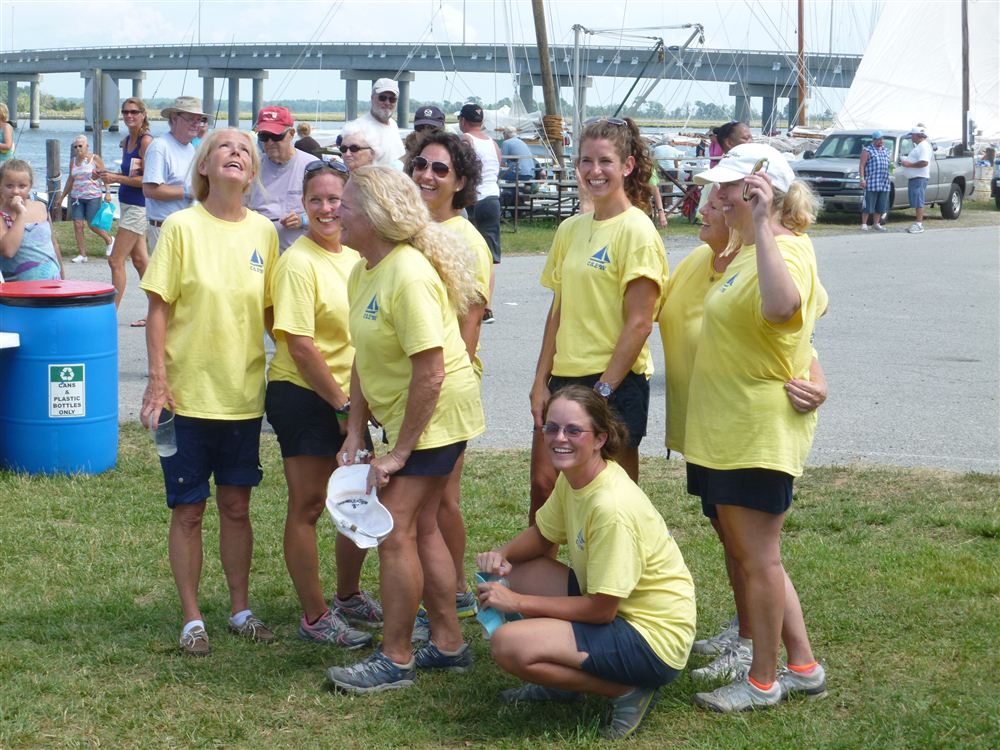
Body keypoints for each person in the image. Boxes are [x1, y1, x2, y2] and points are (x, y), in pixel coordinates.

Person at [325, 166, 483, 693]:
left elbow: (431, 370)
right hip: (420, 417)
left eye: (344, 205)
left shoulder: (408, 273)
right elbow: (364, 357)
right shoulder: (363, 269)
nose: (334, 213)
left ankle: (395, 658)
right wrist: (355, 431)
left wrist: (398, 454)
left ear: (374, 216)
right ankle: (448, 644)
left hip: (438, 415)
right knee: (425, 527)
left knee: (393, 529)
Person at [685, 143, 828, 712]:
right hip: (726, 428)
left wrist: (764, 224)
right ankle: (803, 665)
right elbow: (805, 333)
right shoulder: (747, 250)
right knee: (755, 556)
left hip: (755, 430)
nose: (715, 195)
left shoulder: (782, 249)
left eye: (728, 186)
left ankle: (764, 681)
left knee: (760, 559)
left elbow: (783, 308)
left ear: (761, 191)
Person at [476, 386, 696, 740]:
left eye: (573, 430)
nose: (559, 438)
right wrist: (500, 557)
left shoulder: (611, 508)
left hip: (653, 641)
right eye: (552, 428)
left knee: (508, 644)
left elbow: (602, 611)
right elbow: (543, 534)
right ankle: (561, 684)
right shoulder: (578, 476)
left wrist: (516, 603)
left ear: (599, 438)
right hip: (619, 609)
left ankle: (628, 691)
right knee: (521, 571)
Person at [139, 128, 280, 657]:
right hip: (186, 396)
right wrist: (157, 381)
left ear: (252, 172)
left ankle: (240, 608)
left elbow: (272, 314)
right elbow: (158, 309)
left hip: (242, 395)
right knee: (189, 510)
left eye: (245, 150)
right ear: (204, 165)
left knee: (237, 506)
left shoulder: (265, 232)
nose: (237, 154)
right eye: (225, 147)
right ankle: (193, 617)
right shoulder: (180, 226)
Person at [528, 116, 667, 524]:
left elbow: (640, 323)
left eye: (605, 161)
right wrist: (540, 383)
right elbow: (558, 311)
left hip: (615, 383)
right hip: (564, 379)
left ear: (627, 166)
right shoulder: (571, 229)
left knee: (614, 499)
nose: (594, 171)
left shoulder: (637, 231)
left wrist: (604, 390)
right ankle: (541, 582)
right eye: (586, 161)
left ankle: (620, 582)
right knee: (545, 487)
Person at [265, 158, 380, 648]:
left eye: (337, 200)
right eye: (317, 199)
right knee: (310, 505)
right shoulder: (298, 261)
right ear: (303, 204)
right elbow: (299, 344)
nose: (328, 208)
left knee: (358, 496)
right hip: (305, 394)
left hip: (349, 399)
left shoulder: (357, 257)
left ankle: (348, 594)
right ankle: (315, 616)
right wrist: (340, 407)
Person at [405, 131, 492, 620]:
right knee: (430, 503)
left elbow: (469, 322)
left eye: (441, 170)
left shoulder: (465, 239)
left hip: (444, 382)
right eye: (421, 165)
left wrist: (438, 384)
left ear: (461, 182)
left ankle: (454, 587)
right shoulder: (418, 232)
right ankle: (444, 586)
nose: (427, 176)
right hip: (419, 382)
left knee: (440, 501)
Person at [99, 97, 152, 317]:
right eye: (125, 112)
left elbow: (147, 180)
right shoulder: (127, 140)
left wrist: (115, 178)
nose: (129, 116)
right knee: (140, 261)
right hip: (127, 204)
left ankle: (111, 315)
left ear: (143, 115)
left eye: (134, 112)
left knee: (115, 260)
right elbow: (129, 175)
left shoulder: (145, 141)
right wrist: (107, 176)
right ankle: (161, 311)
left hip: (140, 206)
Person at [247, 105, 317, 252]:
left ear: (291, 134)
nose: (270, 142)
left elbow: (332, 216)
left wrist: (303, 220)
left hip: (300, 258)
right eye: (264, 137)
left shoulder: (312, 167)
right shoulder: (251, 168)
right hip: (259, 255)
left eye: (276, 136)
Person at [142, 96, 205, 253]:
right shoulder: (160, 147)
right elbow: (149, 190)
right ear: (174, 119)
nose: (196, 124)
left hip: (187, 227)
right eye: (191, 119)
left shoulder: (191, 148)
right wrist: (187, 192)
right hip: (164, 228)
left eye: (199, 120)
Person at [0, 159, 63, 282]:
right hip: (20, 293)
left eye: (22, 186)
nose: (16, 191)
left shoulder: (40, 207)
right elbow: (8, 251)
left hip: (52, 284)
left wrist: (63, 279)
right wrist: (21, 214)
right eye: (9, 186)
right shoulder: (2, 215)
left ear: (30, 186)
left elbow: (53, 244)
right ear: (0, 186)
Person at [459, 103, 502, 281]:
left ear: (463, 120)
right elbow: (498, 167)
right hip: (492, 198)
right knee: (489, 256)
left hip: (474, 198)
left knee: (469, 250)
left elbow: (462, 168)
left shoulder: (465, 139)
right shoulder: (493, 143)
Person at [58, 134, 113, 263]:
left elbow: (105, 175)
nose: (78, 149)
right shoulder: (73, 161)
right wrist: (62, 197)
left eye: (80, 146)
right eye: (75, 146)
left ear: (87, 146)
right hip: (77, 197)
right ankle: (82, 254)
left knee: (92, 224)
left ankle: (109, 240)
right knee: (77, 224)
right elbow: (71, 179)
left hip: (92, 196)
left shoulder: (95, 159)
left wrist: (108, 192)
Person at [341, 78, 404, 167]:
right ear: (372, 98)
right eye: (382, 98)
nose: (387, 102)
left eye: (392, 99)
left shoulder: (393, 124)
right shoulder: (357, 128)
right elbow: (351, 164)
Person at [900, 125, 932, 234]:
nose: (911, 138)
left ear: (917, 135)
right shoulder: (920, 146)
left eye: (912, 136)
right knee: (916, 200)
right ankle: (918, 223)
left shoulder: (923, 146)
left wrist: (909, 164)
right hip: (916, 177)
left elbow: (924, 162)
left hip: (919, 177)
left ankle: (919, 224)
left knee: (919, 200)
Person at [859, 130, 891, 231]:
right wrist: (862, 179)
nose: (881, 141)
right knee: (868, 203)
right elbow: (862, 165)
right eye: (879, 139)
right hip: (872, 181)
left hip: (884, 181)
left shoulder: (885, 150)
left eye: (882, 139)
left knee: (881, 204)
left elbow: (889, 164)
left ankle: (876, 223)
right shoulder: (867, 150)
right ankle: (864, 223)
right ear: (874, 140)